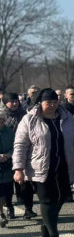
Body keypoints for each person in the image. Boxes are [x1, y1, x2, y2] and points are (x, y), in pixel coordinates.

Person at [13, 88, 74, 237]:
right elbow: (20, 145)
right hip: (40, 168)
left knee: (60, 198)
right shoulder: (29, 120)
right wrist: (19, 169)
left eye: (54, 102)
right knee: (47, 201)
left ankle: (46, 224)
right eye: (47, 103)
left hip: (64, 166)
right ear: (40, 103)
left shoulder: (66, 118)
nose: (51, 105)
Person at [1, 92, 35, 220]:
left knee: (25, 183)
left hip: (23, 152)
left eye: (16, 101)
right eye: (11, 101)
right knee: (8, 185)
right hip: (7, 155)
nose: (15, 103)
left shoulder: (24, 115)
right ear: (5, 102)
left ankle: (28, 209)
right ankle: (9, 206)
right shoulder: (2, 116)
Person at [0, 110, 14, 228]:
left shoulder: (9, 131)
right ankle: (1, 214)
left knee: (8, 190)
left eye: (2, 120)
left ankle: (9, 206)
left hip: (8, 165)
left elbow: (16, 145)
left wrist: (9, 154)